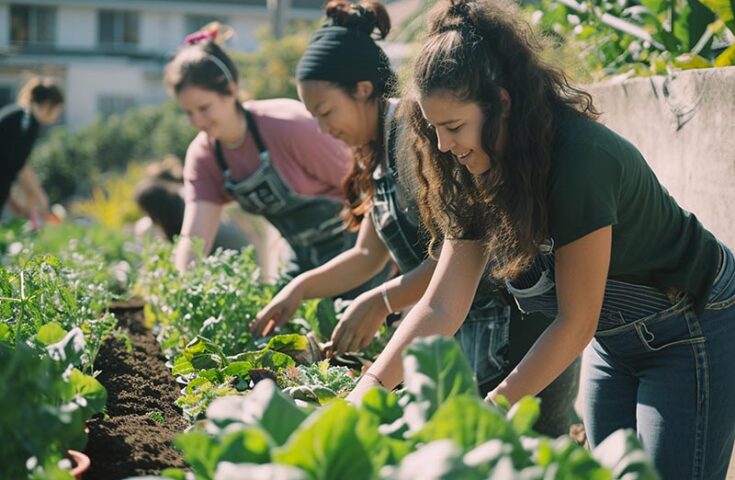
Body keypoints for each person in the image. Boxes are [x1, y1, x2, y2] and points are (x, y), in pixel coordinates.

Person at [346, 1, 735, 478]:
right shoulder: (470, 166)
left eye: (453, 127)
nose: (443, 146)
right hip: (613, 344)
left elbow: (576, 320)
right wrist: (365, 394)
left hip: (690, 326)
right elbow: (442, 305)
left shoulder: (581, 160)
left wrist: (493, 407)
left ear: (502, 104)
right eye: (434, 129)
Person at [250, 0, 579, 436]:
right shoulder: (376, 154)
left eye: (326, 112)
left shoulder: (416, 140)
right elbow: (369, 255)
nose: (322, 129)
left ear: (364, 89)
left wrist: (382, 301)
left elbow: (452, 267)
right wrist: (300, 288)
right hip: (454, 334)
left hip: (507, 335)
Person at [163, 23, 387, 297]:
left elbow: (368, 190)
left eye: (204, 108)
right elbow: (194, 238)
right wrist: (182, 291)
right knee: (280, 328)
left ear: (231, 90)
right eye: (188, 113)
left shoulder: (287, 126)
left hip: (356, 248)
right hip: (301, 254)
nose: (197, 121)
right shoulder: (204, 157)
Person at [0, 76, 63, 223]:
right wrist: (41, 198)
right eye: (57, 112)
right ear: (48, 105)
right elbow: (21, 166)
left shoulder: (18, 116)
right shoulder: (28, 123)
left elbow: (10, 161)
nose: (56, 117)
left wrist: (12, 199)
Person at [134, 177, 250, 252]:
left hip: (231, 250)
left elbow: (188, 247)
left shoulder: (182, 210)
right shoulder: (180, 199)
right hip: (240, 246)